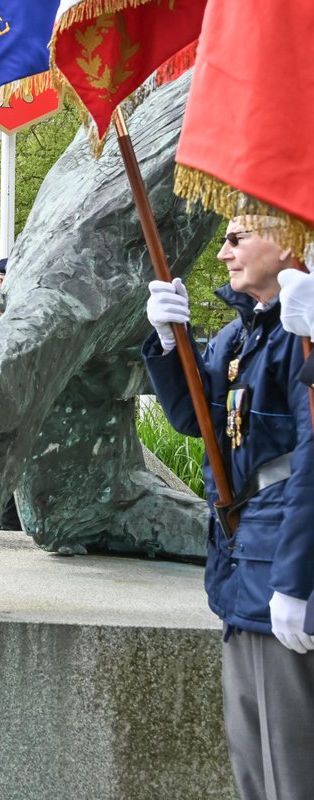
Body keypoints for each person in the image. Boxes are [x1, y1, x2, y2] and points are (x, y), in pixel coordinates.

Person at [143, 218, 314, 799]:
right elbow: (199, 419)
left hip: (282, 561)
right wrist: (173, 343)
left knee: (290, 763)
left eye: (238, 238)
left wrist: (294, 583)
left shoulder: (304, 331)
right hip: (245, 560)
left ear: (288, 240)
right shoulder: (245, 333)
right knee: (253, 755)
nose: (222, 253)